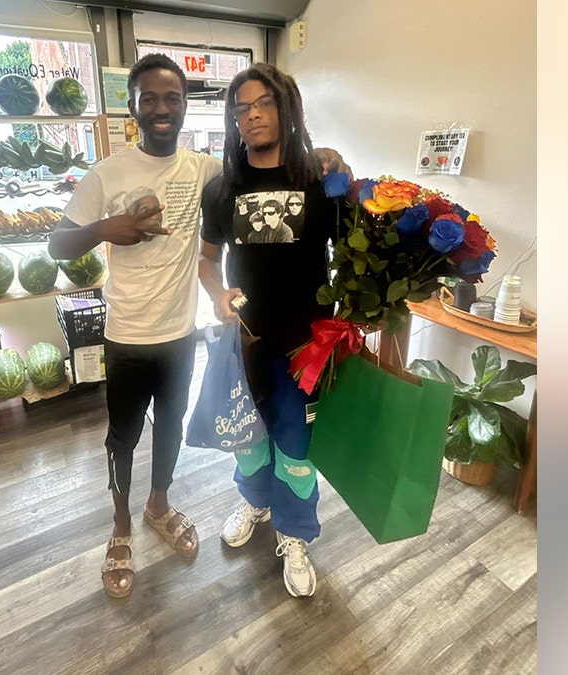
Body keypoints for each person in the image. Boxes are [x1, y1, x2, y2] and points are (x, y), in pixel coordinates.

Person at [48, 53, 217, 600]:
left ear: (185, 107)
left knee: (172, 426)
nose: (162, 108)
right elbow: (56, 245)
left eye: (172, 98)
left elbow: (266, 169)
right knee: (123, 437)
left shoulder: (203, 168)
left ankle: (158, 505)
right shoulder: (108, 174)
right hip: (126, 336)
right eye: (150, 99)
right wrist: (103, 227)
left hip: (181, 333)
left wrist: (323, 156)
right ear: (134, 107)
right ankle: (121, 526)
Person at [198, 63, 350, 598]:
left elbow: (351, 251)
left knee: (297, 445)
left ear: (286, 108)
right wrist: (217, 295)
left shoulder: (319, 182)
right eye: (242, 107)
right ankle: (256, 503)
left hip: (304, 345)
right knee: (248, 436)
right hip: (246, 343)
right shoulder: (222, 189)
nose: (253, 114)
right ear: (233, 118)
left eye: (263, 102)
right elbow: (207, 258)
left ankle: (295, 533)